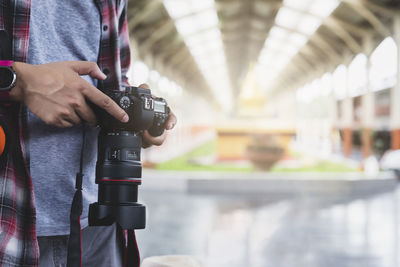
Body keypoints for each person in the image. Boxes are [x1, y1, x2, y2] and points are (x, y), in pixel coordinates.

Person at [0, 0, 177, 266]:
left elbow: (114, 78)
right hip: (10, 223)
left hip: (101, 220)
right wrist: (17, 80)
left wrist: (136, 113)